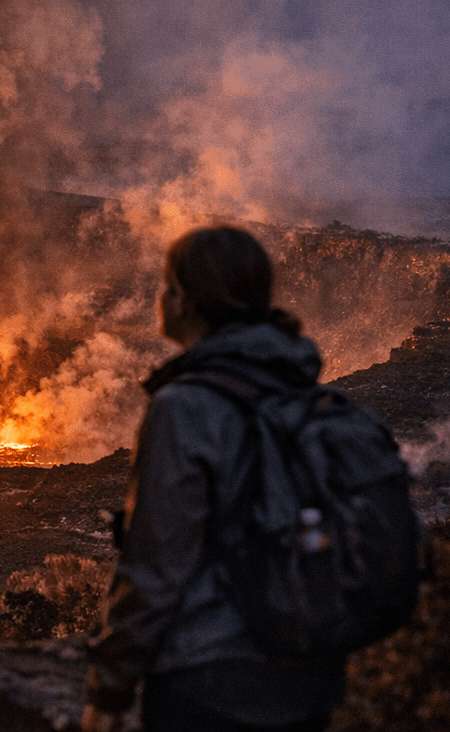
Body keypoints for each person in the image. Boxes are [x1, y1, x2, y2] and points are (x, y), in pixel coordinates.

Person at [82, 226, 346, 732]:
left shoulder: (185, 408)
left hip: (208, 681)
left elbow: (157, 561)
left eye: (167, 286)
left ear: (187, 302)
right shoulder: (304, 393)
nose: (160, 299)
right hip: (309, 680)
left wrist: (109, 686)